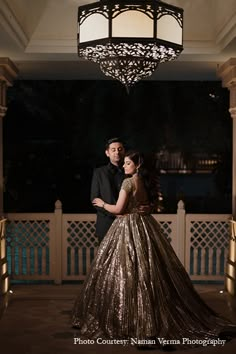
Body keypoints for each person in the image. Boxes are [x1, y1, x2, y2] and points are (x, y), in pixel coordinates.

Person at [72, 150, 236, 349]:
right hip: (144, 225)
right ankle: (148, 314)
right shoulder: (142, 181)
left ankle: (131, 319)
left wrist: (103, 203)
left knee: (126, 271)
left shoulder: (128, 182)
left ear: (137, 165)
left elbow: (118, 209)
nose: (123, 166)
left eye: (127, 163)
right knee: (147, 270)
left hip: (127, 227)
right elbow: (146, 205)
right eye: (123, 163)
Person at [90, 137, 125, 244]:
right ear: (107, 153)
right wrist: (115, 213)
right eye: (113, 150)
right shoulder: (99, 173)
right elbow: (95, 200)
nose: (117, 152)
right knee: (105, 260)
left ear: (124, 151)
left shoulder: (129, 172)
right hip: (106, 225)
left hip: (127, 224)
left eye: (120, 149)